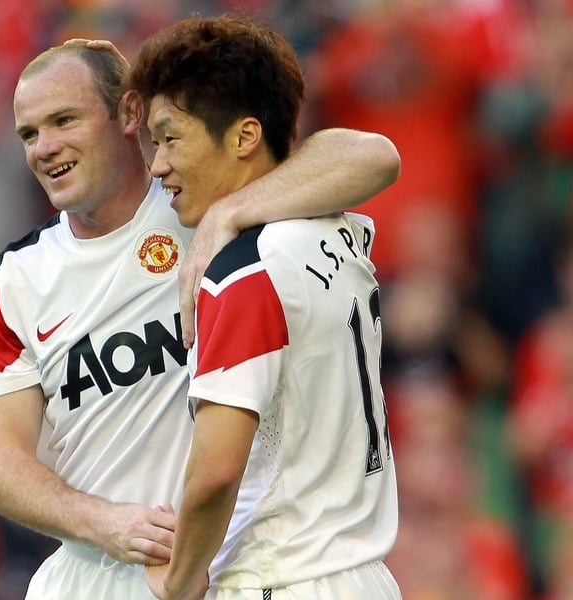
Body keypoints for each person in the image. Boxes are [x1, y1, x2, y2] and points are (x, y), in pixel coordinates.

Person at [0, 37, 400, 600]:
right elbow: (0, 463)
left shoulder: (200, 196)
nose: (44, 148)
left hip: (213, 569)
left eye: (64, 120)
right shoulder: (10, 283)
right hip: (93, 570)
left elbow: (374, 156)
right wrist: (101, 521)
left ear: (129, 114)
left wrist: (231, 213)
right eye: (29, 134)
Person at [129, 14, 400, 599]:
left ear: (245, 137)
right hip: (368, 578)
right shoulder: (343, 231)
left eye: (171, 137)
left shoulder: (242, 272)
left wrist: (179, 582)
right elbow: (361, 154)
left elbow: (217, 469)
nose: (157, 164)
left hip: (278, 576)